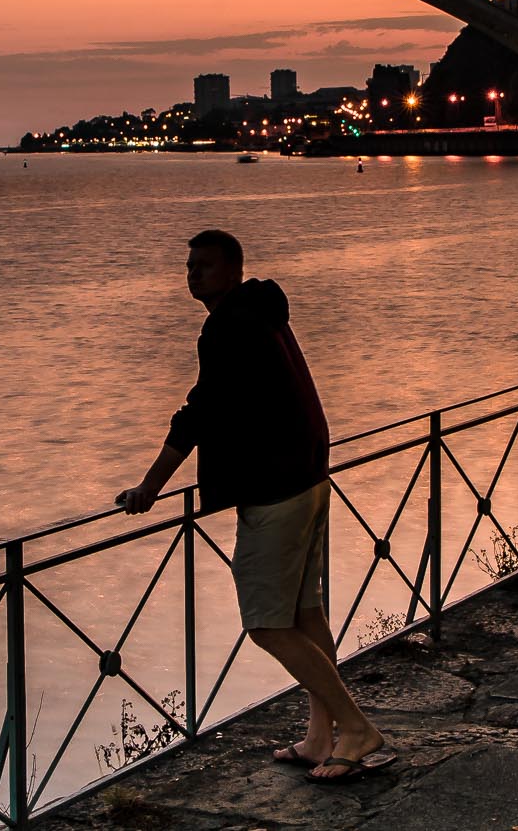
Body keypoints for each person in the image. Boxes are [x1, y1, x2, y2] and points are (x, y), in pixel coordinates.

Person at [117, 229, 389, 785]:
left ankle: (356, 729)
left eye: (205, 266)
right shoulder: (264, 314)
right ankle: (320, 736)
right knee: (304, 613)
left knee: (267, 624)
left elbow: (199, 413)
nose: (193, 275)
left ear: (233, 269)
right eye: (189, 266)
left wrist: (149, 487)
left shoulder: (228, 327)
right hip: (307, 476)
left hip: (276, 490)